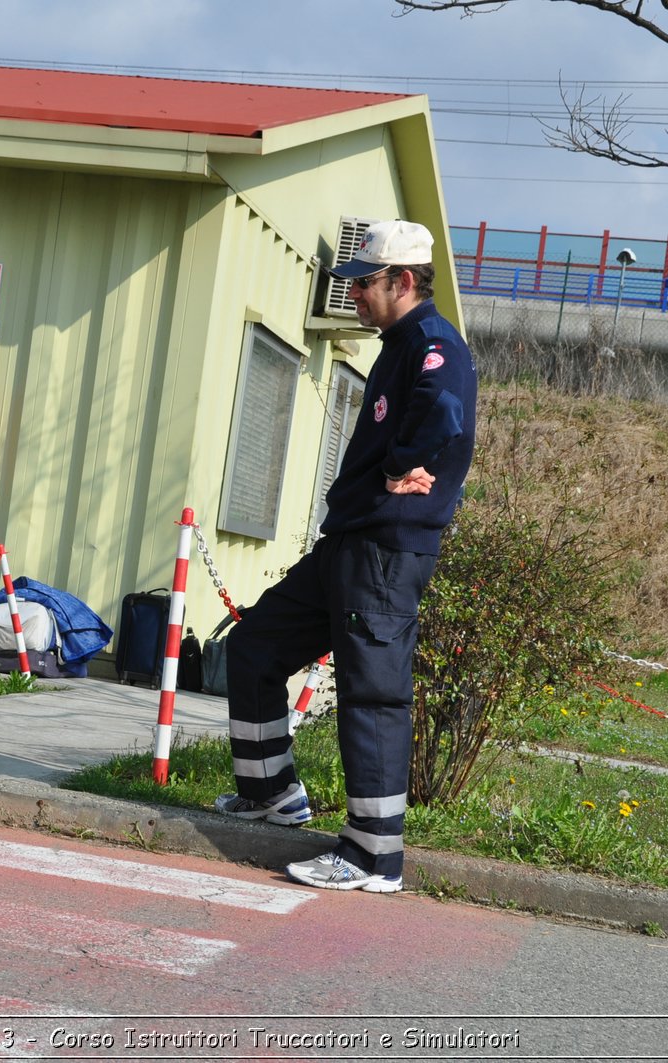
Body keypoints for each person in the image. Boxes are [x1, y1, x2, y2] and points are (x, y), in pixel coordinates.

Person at [214, 219, 477, 893]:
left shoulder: (433, 343)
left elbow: (445, 414)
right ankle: (270, 792)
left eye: (364, 284)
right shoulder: (399, 341)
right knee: (255, 647)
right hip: (351, 542)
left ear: (404, 281)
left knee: (372, 692)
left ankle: (373, 854)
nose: (353, 295)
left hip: (386, 549)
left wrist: (408, 465)